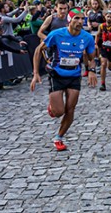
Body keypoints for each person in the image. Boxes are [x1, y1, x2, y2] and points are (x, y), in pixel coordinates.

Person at [29, 8, 97, 151]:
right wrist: (36, 73)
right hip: (57, 74)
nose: (79, 22)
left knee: (70, 109)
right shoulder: (56, 35)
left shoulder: (87, 38)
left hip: (74, 75)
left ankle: (59, 137)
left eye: (82, 19)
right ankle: (53, 108)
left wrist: (91, 71)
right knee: (59, 111)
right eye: (76, 19)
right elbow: (38, 50)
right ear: (69, 20)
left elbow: (91, 59)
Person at [96, 10, 111, 91]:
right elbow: (98, 35)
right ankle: (103, 83)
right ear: (105, 17)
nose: (109, 18)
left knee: (110, 67)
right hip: (104, 47)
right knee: (103, 64)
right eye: (107, 16)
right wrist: (96, 44)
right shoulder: (102, 26)